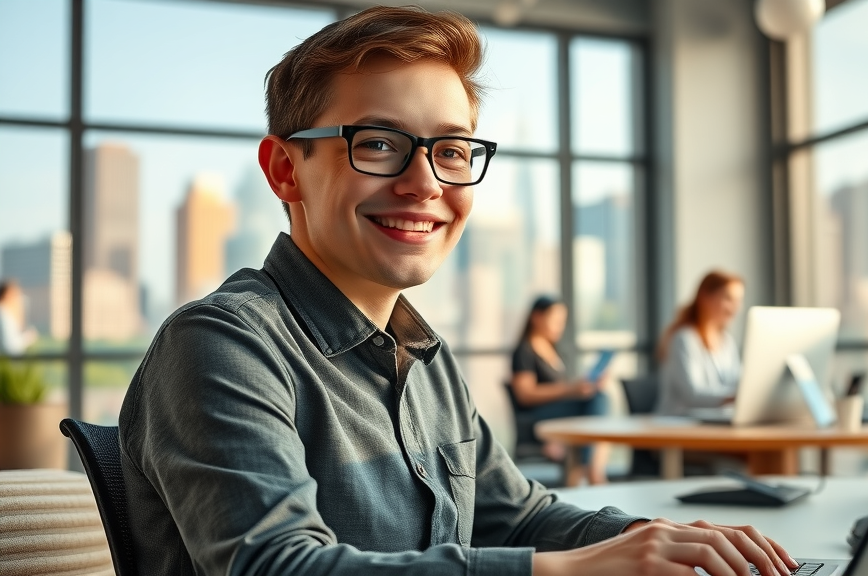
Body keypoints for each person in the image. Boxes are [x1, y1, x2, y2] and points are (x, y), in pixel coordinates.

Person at [118, 7, 797, 576]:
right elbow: (279, 566)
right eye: (379, 143)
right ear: (285, 170)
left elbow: (520, 515)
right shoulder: (221, 344)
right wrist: (561, 571)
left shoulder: (425, 360)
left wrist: (675, 544)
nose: (425, 184)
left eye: (451, 150)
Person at [510, 295, 611, 487]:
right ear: (537, 317)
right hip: (537, 415)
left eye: (562, 321)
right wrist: (570, 389)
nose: (560, 326)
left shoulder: (555, 350)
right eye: (555, 320)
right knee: (597, 401)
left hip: (560, 412)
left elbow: (564, 390)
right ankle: (589, 469)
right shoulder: (524, 351)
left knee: (597, 397)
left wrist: (584, 387)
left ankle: (586, 468)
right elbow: (525, 395)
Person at [656, 271, 745, 416]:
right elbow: (692, 394)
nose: (735, 308)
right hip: (680, 425)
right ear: (705, 297)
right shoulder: (683, 339)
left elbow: (736, 380)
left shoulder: (727, 341)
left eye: (739, 300)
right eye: (728, 299)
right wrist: (734, 397)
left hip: (716, 422)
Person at [0, 280, 36, 356]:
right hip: (6, 364)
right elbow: (11, 346)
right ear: (7, 295)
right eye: (15, 295)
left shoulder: (7, 313)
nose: (17, 299)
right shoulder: (3, 314)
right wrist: (28, 337)